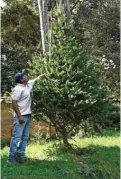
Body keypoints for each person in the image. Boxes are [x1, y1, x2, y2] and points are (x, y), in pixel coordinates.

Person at [8, 72, 46, 165]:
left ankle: (21, 155)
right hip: (20, 116)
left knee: (24, 137)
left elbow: (35, 80)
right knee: (16, 138)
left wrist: (39, 77)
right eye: (24, 76)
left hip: (28, 115)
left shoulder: (28, 84)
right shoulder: (18, 89)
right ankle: (11, 158)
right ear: (21, 79)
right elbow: (14, 103)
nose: (27, 76)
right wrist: (20, 116)